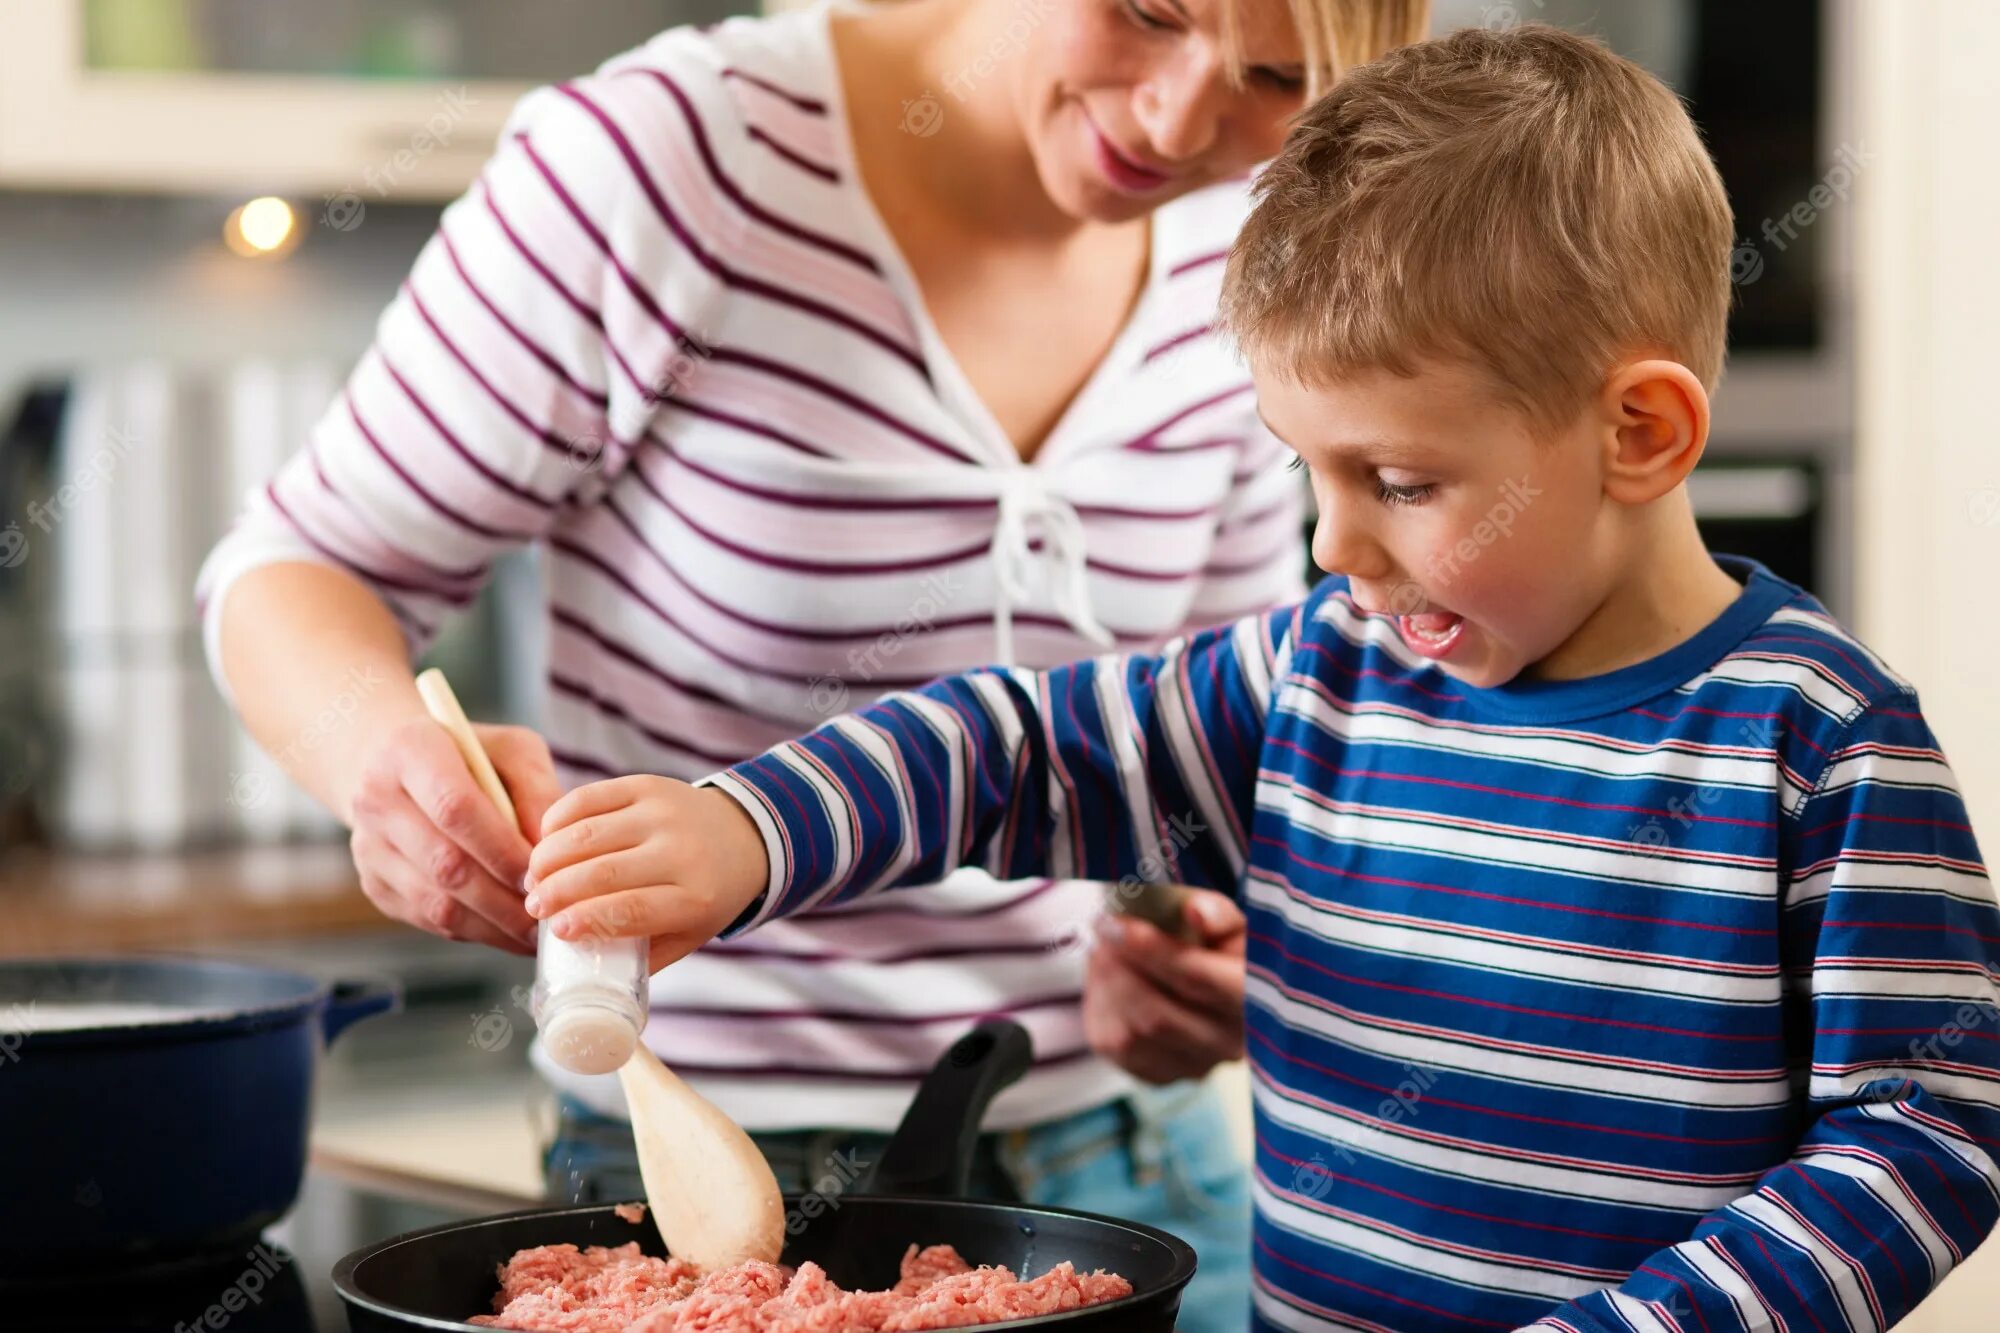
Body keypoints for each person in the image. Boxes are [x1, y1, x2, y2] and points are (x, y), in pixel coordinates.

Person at [512, 23, 2000, 1332]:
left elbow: (1925, 1131)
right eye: (1310, 472)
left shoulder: (1820, 746)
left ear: (1642, 435)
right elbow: (1016, 745)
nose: (1333, 541)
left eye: (1403, 480)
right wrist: (753, 832)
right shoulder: (1315, 686)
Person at [198, 1, 1431, 1328]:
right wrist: (382, 763)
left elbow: (1196, 740)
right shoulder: (674, 165)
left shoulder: (1262, 233)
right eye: (1147, 12)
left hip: (1136, 1178)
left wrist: (1186, 936)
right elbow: (297, 567)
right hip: (703, 1181)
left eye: (1272, 74)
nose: (1179, 120)